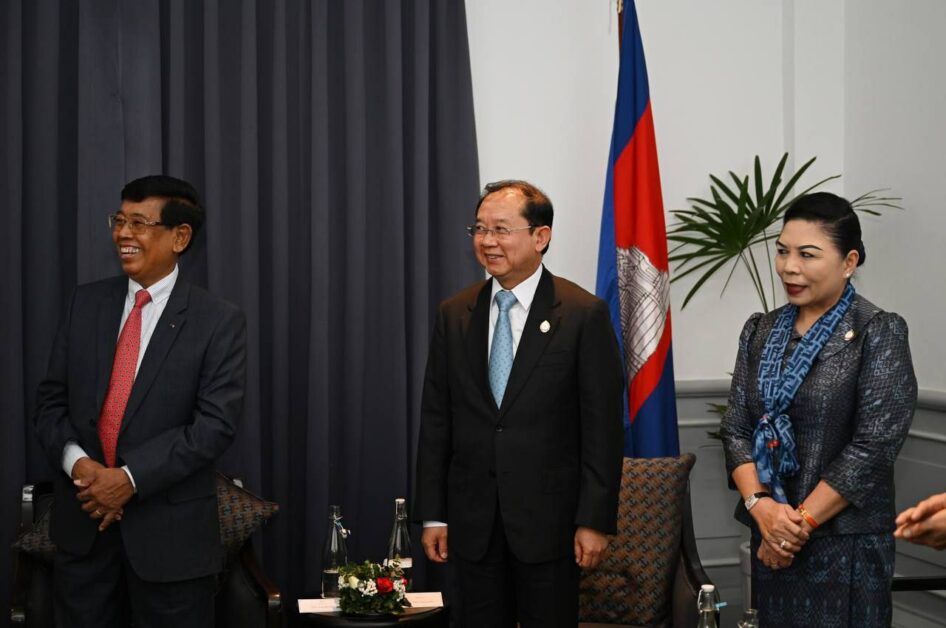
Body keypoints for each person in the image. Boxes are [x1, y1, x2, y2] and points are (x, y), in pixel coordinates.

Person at [32, 175, 246, 628]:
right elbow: (50, 403)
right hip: (83, 535)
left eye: (139, 223)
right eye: (119, 220)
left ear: (180, 237)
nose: (123, 234)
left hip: (171, 548)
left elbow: (213, 426)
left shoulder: (218, 321)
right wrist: (79, 466)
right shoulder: (84, 303)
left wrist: (129, 479)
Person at [413, 180, 624, 627]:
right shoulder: (455, 313)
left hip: (551, 527)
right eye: (479, 228)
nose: (487, 241)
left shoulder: (581, 314)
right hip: (473, 526)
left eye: (501, 229)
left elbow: (602, 429)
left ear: (540, 236)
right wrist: (433, 514)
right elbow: (437, 421)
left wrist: (594, 520)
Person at [720, 192, 917, 627]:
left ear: (849, 262)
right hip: (770, 533)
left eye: (807, 255)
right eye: (782, 251)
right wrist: (762, 508)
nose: (789, 267)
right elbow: (736, 428)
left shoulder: (877, 332)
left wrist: (794, 527)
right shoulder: (760, 329)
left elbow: (873, 449)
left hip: (845, 546)